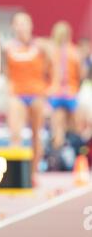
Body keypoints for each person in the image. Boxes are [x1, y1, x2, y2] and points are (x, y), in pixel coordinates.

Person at [4, 12, 51, 184]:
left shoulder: (41, 46)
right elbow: (3, 69)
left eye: (25, 23)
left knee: (36, 135)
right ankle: (15, 175)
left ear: (31, 26)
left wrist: (49, 88)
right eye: (18, 23)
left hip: (37, 93)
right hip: (17, 93)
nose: (22, 27)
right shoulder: (8, 47)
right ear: (13, 27)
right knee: (15, 134)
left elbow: (53, 66)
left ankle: (33, 173)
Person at [48, 21, 81, 150]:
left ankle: (58, 152)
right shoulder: (74, 51)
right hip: (70, 93)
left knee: (58, 127)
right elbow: (80, 74)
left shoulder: (51, 51)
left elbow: (46, 72)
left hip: (55, 93)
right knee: (74, 127)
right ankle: (75, 154)